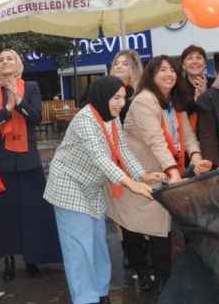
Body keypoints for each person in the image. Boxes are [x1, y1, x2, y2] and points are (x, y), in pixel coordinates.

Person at [44, 76, 167, 304]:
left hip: (92, 185)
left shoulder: (111, 117)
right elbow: (101, 158)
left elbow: (121, 149)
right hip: (68, 186)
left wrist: (141, 174)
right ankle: (85, 299)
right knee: (79, 247)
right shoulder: (85, 120)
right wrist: (131, 184)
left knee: (98, 242)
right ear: (102, 96)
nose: (121, 103)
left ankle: (101, 293)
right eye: (116, 97)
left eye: (123, 98)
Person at [107, 55, 212, 291]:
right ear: (151, 75)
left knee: (160, 232)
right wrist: (174, 171)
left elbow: (188, 135)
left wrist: (195, 157)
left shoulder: (173, 101)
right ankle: (144, 275)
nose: (169, 74)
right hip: (137, 175)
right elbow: (156, 141)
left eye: (173, 70)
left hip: (161, 174)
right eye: (162, 70)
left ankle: (163, 280)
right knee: (134, 229)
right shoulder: (145, 101)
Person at [0, 49, 62, 282]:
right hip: (2, 158)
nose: (5, 61)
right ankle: (7, 259)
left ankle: (32, 258)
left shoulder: (32, 87)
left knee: (32, 211)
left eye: (10, 58)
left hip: (28, 159)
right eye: (1, 59)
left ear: (18, 65)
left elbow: (35, 117)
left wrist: (18, 100)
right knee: (4, 213)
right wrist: (6, 110)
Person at [180, 45, 215, 135]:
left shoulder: (216, 84)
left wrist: (206, 95)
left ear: (205, 63)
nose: (194, 61)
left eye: (199, 58)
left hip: (213, 136)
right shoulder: (177, 88)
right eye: (190, 58)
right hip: (189, 139)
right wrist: (196, 102)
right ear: (183, 65)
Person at [109, 49, 143, 123]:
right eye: (116, 63)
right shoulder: (107, 90)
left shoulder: (140, 92)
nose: (119, 66)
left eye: (125, 64)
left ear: (134, 68)